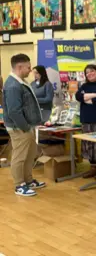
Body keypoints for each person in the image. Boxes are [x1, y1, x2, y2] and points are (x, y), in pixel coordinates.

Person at [3, 54, 45, 197]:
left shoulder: (21, 81)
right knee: (20, 156)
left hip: (27, 126)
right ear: (19, 67)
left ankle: (28, 180)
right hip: (19, 128)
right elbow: (14, 111)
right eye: (28, 67)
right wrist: (25, 127)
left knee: (30, 154)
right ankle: (19, 185)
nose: (30, 70)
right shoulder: (13, 85)